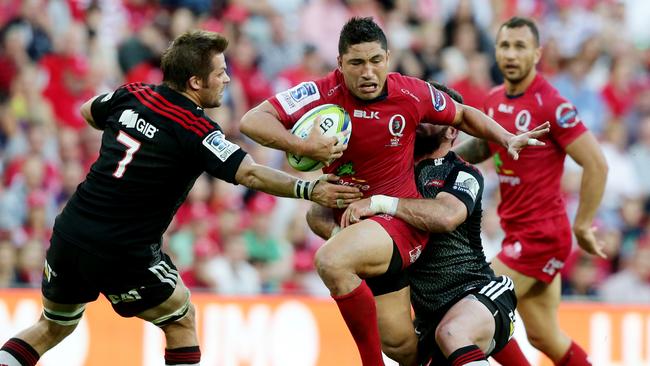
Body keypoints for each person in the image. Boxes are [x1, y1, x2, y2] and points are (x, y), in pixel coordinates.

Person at [0, 30, 362, 366]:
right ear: (195, 82)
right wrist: (308, 188)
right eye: (220, 73)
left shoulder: (133, 93)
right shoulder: (195, 129)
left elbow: (88, 110)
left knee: (53, 326)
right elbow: (249, 172)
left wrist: (126, 129)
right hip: (122, 250)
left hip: (71, 233)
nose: (227, 79)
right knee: (182, 319)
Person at [240, 17, 547, 366]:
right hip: (373, 237)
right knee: (406, 350)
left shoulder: (413, 94)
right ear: (340, 64)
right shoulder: (321, 92)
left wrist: (505, 137)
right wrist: (305, 148)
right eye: (356, 63)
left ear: (388, 57)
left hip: (401, 228)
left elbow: (461, 115)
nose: (368, 72)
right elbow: (252, 121)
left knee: (331, 260)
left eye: (375, 61)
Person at [309, 83, 518, 366]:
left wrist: (382, 203)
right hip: (429, 321)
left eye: (434, 117)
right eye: (421, 113)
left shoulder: (463, 172)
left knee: (453, 332)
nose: (421, 119)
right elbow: (318, 212)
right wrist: (349, 239)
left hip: (478, 292)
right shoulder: (391, 168)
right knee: (403, 345)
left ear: (452, 129)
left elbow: (445, 216)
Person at [454, 17, 608, 366]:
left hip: (541, 236)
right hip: (519, 232)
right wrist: (444, 159)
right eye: (505, 46)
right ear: (495, 50)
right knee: (543, 336)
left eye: (520, 46)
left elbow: (596, 163)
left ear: (537, 54)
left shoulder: (551, 104)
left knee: (475, 310)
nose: (511, 54)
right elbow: (483, 147)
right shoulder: (493, 100)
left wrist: (582, 225)